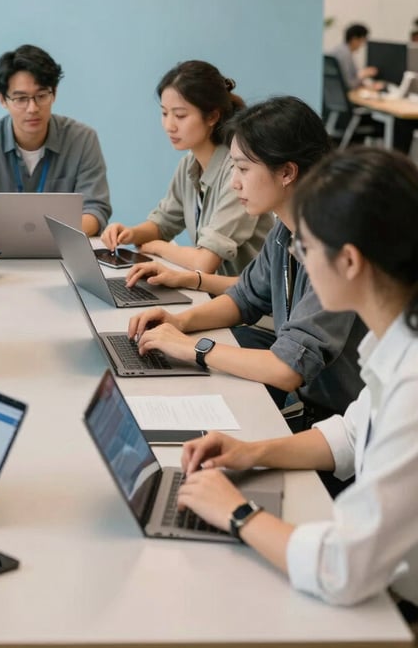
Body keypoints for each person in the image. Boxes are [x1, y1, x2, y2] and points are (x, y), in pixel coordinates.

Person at [176, 147, 418, 627]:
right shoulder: (396, 341)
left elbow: (342, 568)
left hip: (394, 609)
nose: (297, 258)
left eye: (305, 247)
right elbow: (351, 435)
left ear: (349, 261)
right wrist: (252, 451)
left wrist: (238, 514)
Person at [128, 97, 365, 425]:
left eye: (243, 169)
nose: (234, 182)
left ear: (286, 172)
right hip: (321, 410)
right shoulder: (286, 229)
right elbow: (245, 298)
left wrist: (192, 347)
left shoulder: (334, 245)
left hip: (347, 422)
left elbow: (288, 369)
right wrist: (179, 322)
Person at [101, 61, 272, 277]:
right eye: (164, 113)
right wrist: (131, 233)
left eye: (180, 115)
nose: (169, 125)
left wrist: (157, 247)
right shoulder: (189, 164)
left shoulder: (237, 172)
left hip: (249, 305)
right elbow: (164, 223)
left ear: (212, 116)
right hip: (211, 294)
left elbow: (204, 262)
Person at [0, 44, 111, 240]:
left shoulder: (82, 140)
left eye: (41, 96)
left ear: (54, 93)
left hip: (61, 250)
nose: (32, 108)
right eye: (21, 98)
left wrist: (48, 238)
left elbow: (96, 209)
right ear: (3, 100)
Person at [329, 23, 377, 89]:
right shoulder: (345, 55)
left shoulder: (339, 49)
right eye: (362, 41)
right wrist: (362, 75)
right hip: (343, 92)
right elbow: (348, 84)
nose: (362, 45)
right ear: (354, 39)